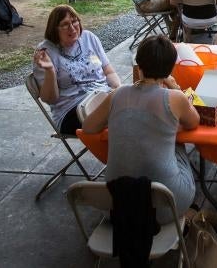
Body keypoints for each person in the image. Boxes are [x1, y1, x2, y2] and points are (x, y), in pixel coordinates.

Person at [81, 35, 198, 222]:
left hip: (115, 202)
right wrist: (175, 87)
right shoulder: (175, 97)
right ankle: (190, 212)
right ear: (170, 69)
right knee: (179, 146)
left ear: (139, 64)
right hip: (167, 204)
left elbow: (88, 127)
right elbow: (193, 122)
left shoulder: (117, 94)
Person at [33, 5, 120, 135]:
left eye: (74, 21)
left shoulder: (89, 38)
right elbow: (50, 99)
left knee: (131, 105)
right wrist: (50, 71)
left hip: (102, 97)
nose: (72, 28)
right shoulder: (46, 52)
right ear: (54, 29)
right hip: (72, 111)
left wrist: (118, 89)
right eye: (65, 24)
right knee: (124, 117)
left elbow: (109, 72)